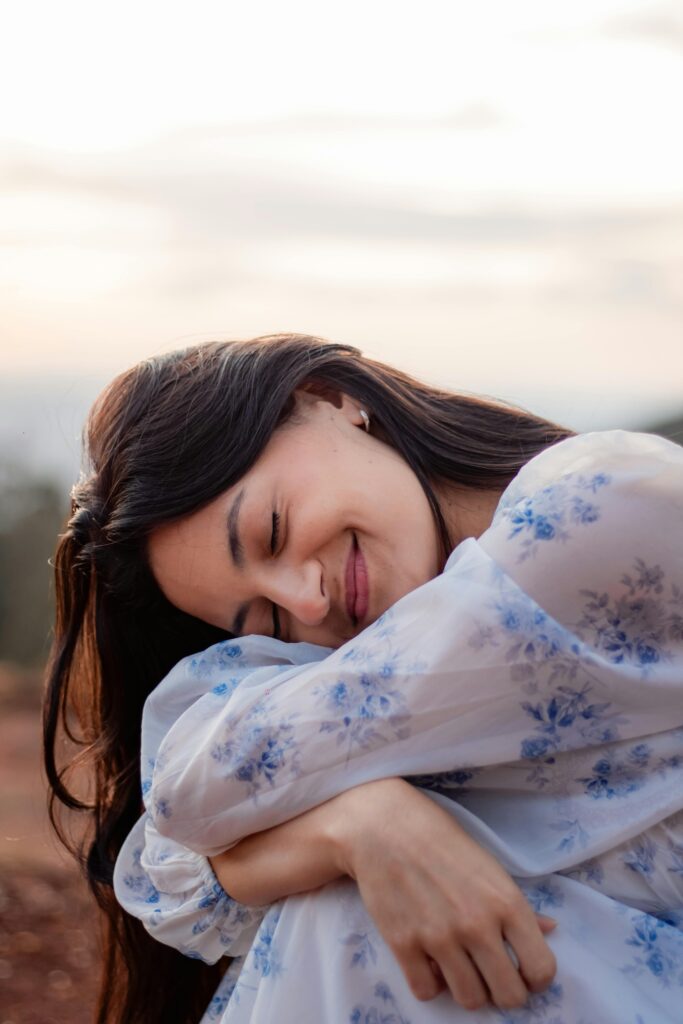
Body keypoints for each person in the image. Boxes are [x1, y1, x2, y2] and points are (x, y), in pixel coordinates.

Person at [44, 334, 683, 1024]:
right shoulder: (389, 665)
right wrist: (352, 829)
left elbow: (190, 796)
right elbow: (175, 878)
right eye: (263, 620)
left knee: (345, 914)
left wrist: (342, 823)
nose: (307, 602)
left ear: (328, 400)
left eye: (272, 528)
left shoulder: (604, 503)